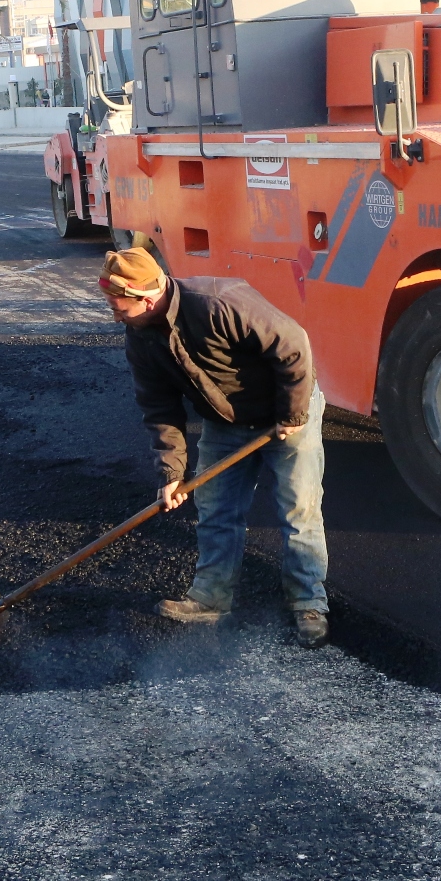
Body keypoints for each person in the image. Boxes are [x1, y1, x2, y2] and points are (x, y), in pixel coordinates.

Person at [101, 247, 331, 647]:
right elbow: (159, 407)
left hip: (287, 414)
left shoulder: (216, 302)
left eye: (119, 306)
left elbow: (294, 345)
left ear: (147, 298)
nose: (114, 314)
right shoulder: (140, 337)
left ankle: (308, 602)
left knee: (298, 510)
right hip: (226, 421)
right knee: (215, 508)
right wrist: (171, 474)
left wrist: (292, 416)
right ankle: (211, 597)